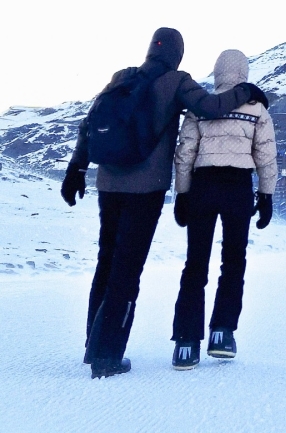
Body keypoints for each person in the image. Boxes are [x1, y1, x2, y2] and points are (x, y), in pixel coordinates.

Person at [60, 27, 269, 379]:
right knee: (127, 271)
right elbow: (211, 107)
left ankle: (92, 345)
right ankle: (108, 357)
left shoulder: (123, 77)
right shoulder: (177, 81)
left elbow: (90, 123)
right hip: (146, 189)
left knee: (106, 260)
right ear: (177, 54)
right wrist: (246, 91)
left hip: (109, 184)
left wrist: (76, 168)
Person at [170, 49, 277, 370]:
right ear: (243, 72)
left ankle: (186, 344)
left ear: (217, 73)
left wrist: (182, 194)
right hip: (238, 187)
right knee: (233, 262)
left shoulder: (200, 106)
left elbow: (185, 153)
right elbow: (267, 156)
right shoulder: (257, 109)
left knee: (195, 264)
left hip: (203, 185)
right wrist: (266, 195)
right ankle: (222, 333)